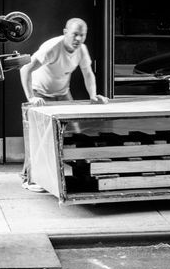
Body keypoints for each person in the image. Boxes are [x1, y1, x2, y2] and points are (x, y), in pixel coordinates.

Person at [19, 17, 108, 191]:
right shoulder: (52, 48)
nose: (78, 39)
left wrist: (93, 95)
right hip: (40, 94)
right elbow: (25, 69)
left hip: (62, 93)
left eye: (82, 35)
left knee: (76, 132)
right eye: (75, 34)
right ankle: (28, 179)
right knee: (41, 137)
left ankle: (81, 174)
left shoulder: (81, 49)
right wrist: (31, 97)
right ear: (65, 32)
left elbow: (88, 73)